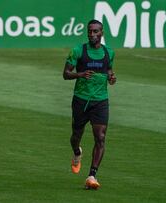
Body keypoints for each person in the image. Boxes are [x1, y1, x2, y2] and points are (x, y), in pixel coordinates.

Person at [63, 19, 116, 189]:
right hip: (81, 100)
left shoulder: (109, 52)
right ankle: (77, 152)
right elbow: (66, 74)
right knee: (75, 136)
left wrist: (111, 77)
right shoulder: (78, 51)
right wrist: (80, 74)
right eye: (90, 31)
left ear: (102, 33)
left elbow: (108, 70)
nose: (92, 34)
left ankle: (92, 176)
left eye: (95, 31)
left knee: (100, 137)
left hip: (100, 101)